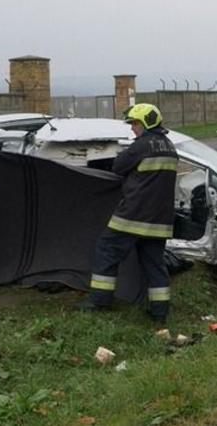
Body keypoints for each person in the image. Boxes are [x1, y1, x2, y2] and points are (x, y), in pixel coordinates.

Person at [77, 103, 178, 324]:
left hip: (133, 216)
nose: (132, 128)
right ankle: (159, 313)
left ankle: (99, 301)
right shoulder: (169, 146)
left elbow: (118, 167)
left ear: (146, 123)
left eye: (135, 123)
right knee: (154, 264)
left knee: (106, 251)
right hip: (160, 221)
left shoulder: (142, 146)